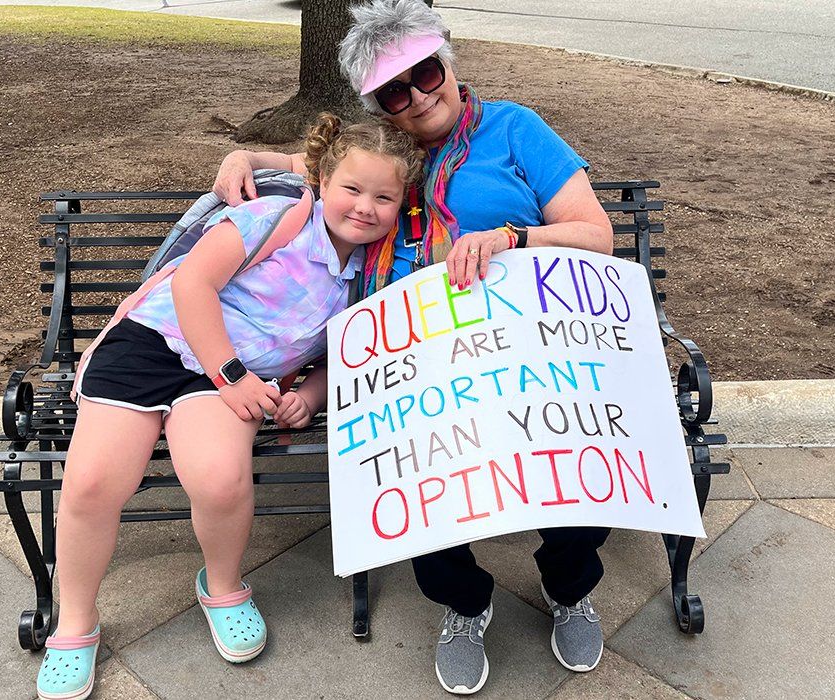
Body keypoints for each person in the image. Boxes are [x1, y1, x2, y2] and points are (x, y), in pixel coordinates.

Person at [211, 0, 616, 694]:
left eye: (425, 73)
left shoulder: (515, 129)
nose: (418, 96)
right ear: (382, 106)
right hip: (412, 361)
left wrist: (512, 238)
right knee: (416, 480)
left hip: (524, 350)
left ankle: (569, 586)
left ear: (448, 63)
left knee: (567, 466)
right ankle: (464, 603)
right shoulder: (390, 154)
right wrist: (243, 154)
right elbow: (324, 164)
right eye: (394, 90)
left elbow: (595, 234)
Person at [35, 113, 424, 700]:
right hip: (159, 341)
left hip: (228, 382)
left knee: (219, 480)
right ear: (321, 181)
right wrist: (232, 374)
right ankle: (76, 621)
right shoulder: (278, 217)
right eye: (352, 189)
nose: (365, 206)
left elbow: (345, 356)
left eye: (383, 197)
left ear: (401, 203)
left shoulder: (373, 275)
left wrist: (308, 396)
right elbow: (194, 284)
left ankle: (221, 585)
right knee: (92, 483)